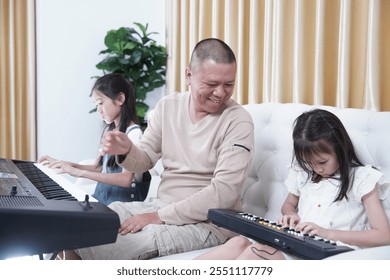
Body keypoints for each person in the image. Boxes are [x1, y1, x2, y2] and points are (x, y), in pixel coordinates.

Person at [61, 38, 254, 260]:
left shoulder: (238, 122)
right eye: (211, 84)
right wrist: (126, 150)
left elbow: (223, 193)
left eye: (229, 84)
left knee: (108, 246)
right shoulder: (168, 107)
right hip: (160, 207)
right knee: (79, 226)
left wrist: (158, 217)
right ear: (189, 75)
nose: (221, 93)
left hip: (208, 223)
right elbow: (144, 159)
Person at [195, 109, 390, 260]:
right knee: (237, 243)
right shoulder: (304, 174)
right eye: (309, 163)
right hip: (297, 244)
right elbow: (288, 205)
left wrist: (327, 233)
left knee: (256, 253)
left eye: (321, 162)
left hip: (329, 253)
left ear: (340, 148)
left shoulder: (361, 179)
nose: (316, 169)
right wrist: (291, 216)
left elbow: (383, 236)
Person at [38, 73, 150, 205]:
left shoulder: (134, 134)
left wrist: (80, 172)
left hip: (121, 206)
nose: (98, 110)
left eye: (100, 103)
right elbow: (98, 167)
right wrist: (64, 164)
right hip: (103, 199)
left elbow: (125, 179)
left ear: (120, 99)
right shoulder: (111, 131)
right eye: (96, 105)